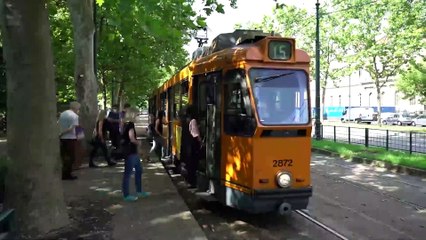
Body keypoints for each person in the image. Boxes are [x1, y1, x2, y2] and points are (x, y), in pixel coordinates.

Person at [121, 107, 151, 201]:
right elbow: (132, 138)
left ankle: (139, 191)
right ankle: (127, 195)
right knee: (128, 173)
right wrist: (139, 143)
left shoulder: (125, 124)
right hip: (131, 152)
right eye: (137, 114)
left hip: (131, 152)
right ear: (133, 115)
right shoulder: (130, 124)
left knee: (138, 170)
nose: (138, 116)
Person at [58, 101, 81, 180]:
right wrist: (62, 133)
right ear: (76, 108)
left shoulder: (63, 114)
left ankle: (64, 173)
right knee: (71, 157)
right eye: (79, 108)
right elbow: (72, 128)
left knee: (64, 156)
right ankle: (67, 174)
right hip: (70, 138)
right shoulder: (75, 116)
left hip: (63, 139)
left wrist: (60, 134)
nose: (79, 110)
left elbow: (58, 124)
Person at [186, 105, 202, 188]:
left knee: (190, 162)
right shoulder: (194, 121)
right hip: (194, 144)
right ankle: (193, 182)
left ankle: (190, 181)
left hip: (190, 144)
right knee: (194, 163)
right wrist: (201, 141)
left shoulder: (188, 120)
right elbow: (195, 134)